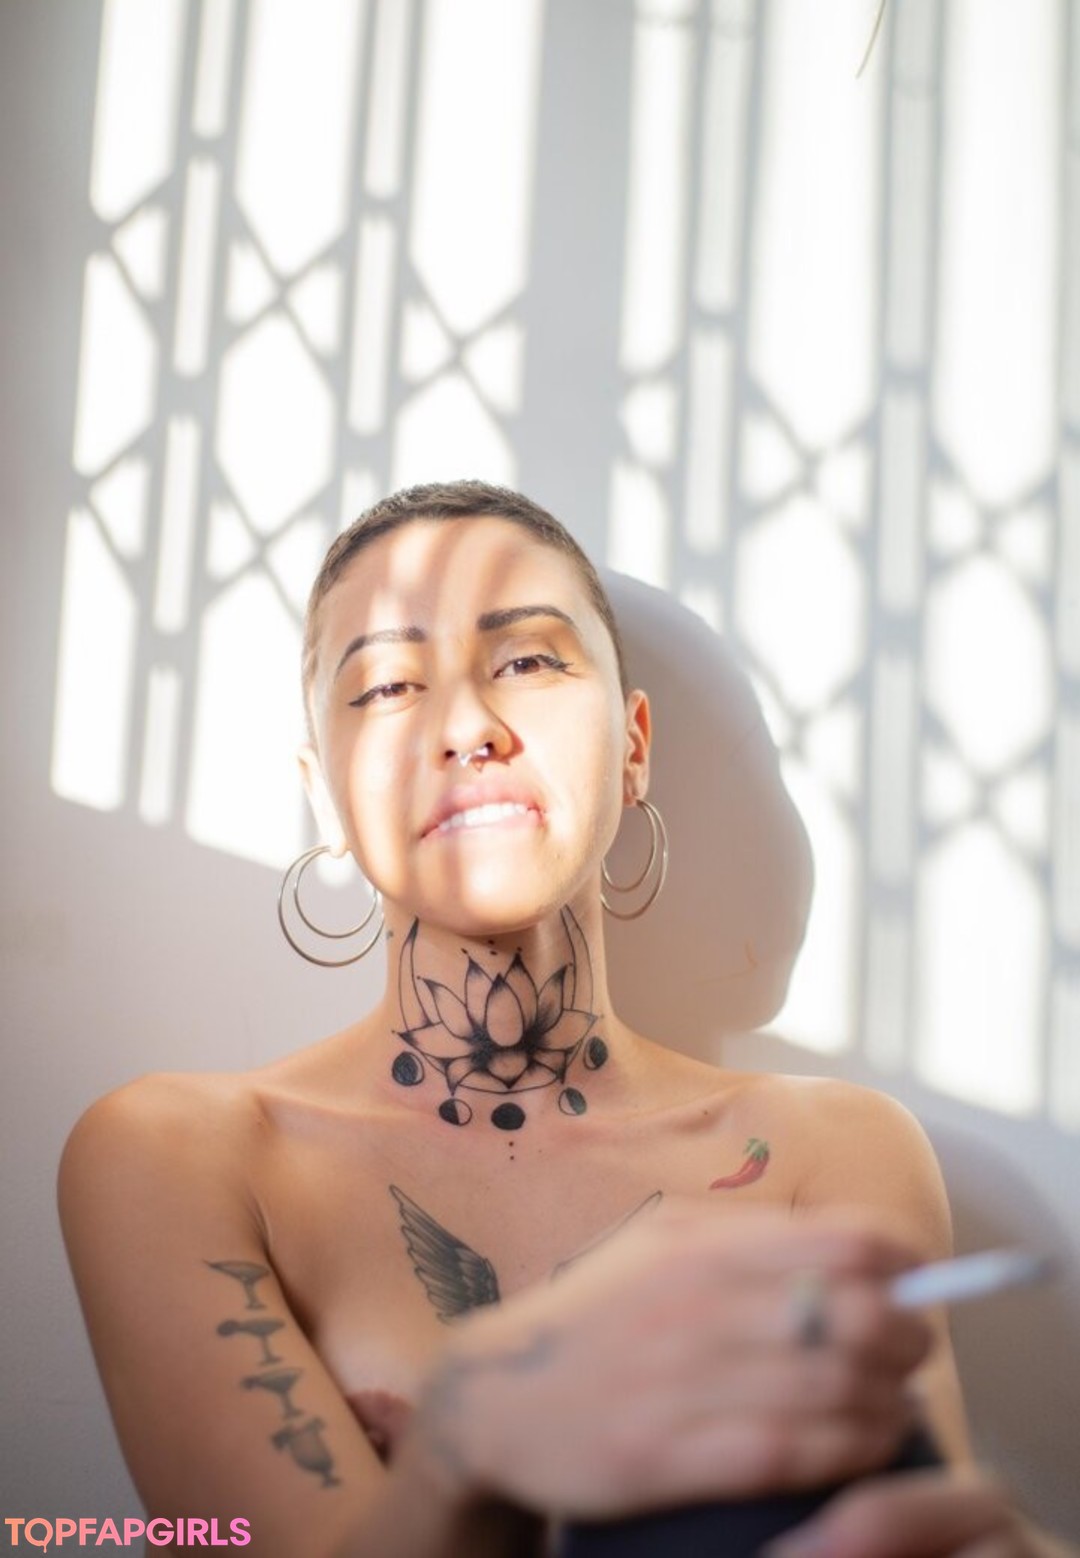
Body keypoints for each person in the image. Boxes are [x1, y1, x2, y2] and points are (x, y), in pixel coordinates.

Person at [59, 481, 1072, 1557]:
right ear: (326, 796)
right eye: (390, 685)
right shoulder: (181, 1154)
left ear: (634, 746)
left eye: (530, 662)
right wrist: (470, 1444)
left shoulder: (833, 1148)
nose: (467, 727)